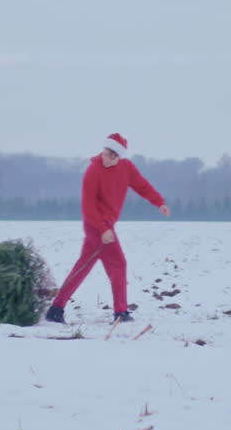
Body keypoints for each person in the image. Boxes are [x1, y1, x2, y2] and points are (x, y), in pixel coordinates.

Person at [46, 133, 171, 324]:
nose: (105, 159)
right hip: (95, 224)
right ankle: (120, 312)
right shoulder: (93, 171)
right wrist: (103, 229)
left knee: (84, 265)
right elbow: (88, 206)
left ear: (118, 157)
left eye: (110, 156)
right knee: (118, 264)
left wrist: (159, 202)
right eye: (104, 154)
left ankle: (56, 308)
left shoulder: (127, 168)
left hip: (107, 225)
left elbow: (142, 186)